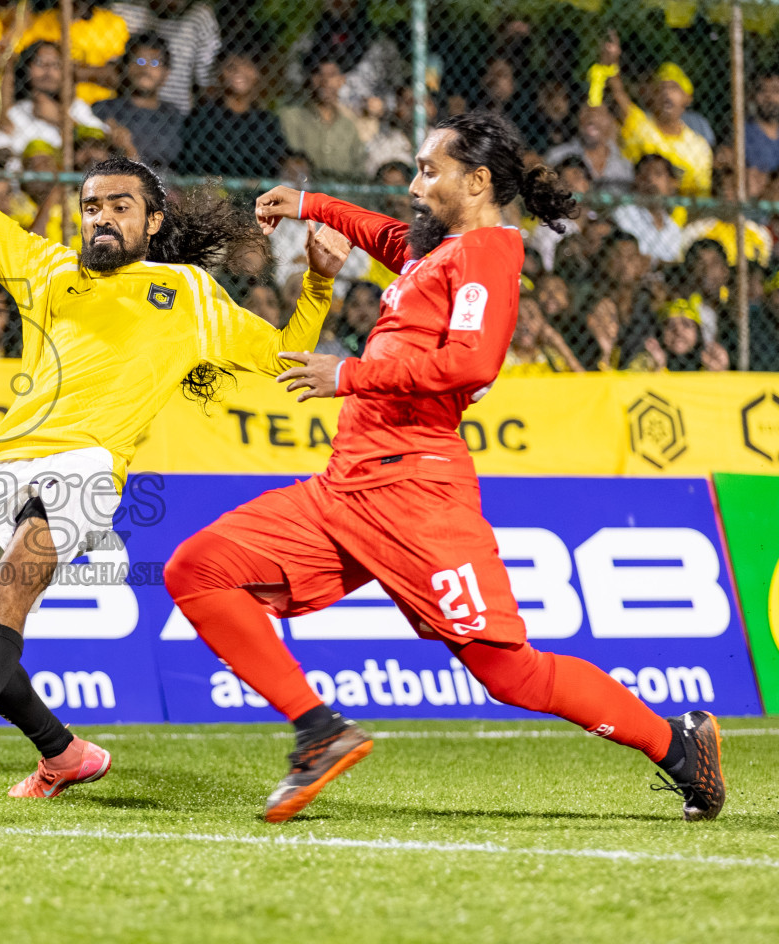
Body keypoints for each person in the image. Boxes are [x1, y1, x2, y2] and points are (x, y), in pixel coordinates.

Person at [166, 110, 726, 825]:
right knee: (197, 568)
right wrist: (309, 203)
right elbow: (385, 237)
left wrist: (351, 375)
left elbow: (471, 362)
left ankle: (677, 746)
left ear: (478, 180)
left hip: (416, 491)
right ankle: (318, 731)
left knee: (510, 672)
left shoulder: (488, 252)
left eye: (429, 169)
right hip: (348, 485)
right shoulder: (437, 251)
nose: (414, 181)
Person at [0, 34, 347, 809]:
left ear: (152, 222)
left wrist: (316, 286)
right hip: (5, 463)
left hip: (86, 465)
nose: (102, 218)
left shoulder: (185, 294)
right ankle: (63, 754)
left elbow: (286, 356)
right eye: (91, 207)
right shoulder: (48, 272)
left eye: (119, 206)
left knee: (11, 593)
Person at [593, 35, 712, 196]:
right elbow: (617, 94)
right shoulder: (640, 125)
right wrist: (611, 65)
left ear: (687, 98)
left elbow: (701, 194)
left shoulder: (699, 147)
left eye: (674, 88)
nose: (666, 93)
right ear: (652, 98)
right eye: (660, 88)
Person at [110, 0, 220, 114]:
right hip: (130, 105)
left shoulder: (198, 16)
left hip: (177, 109)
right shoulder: (126, 11)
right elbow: (111, 67)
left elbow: (206, 77)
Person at [177, 47, 285, 179]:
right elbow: (191, 162)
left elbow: (279, 158)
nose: (238, 71)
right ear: (220, 75)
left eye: (246, 65)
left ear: (257, 74)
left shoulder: (266, 121)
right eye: (231, 66)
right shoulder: (203, 117)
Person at [93, 34, 184, 171]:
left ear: (166, 74)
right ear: (125, 67)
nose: (145, 68)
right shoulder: (105, 109)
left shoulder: (173, 115)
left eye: (154, 62)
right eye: (139, 60)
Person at [279, 58, 365, 181]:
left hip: (340, 196)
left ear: (341, 80)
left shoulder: (349, 126)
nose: (325, 81)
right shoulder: (291, 117)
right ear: (310, 79)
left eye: (331, 75)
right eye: (318, 74)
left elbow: (359, 168)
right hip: (306, 194)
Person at [612, 154, 683, 265]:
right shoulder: (624, 214)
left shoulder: (674, 229)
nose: (651, 179)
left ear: (671, 184)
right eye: (644, 175)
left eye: (658, 174)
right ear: (636, 182)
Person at [545, 104, 633, 192]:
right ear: (577, 121)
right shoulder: (557, 156)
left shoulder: (625, 161)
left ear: (611, 121)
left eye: (599, 114)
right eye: (587, 113)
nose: (592, 119)